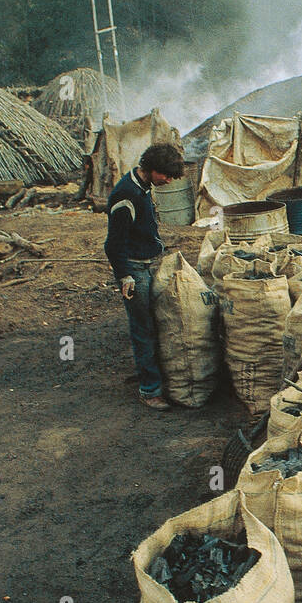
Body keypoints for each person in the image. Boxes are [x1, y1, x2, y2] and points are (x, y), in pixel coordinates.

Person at [104, 142, 184, 411]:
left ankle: (151, 374)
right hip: (135, 270)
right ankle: (149, 390)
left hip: (149, 264)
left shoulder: (142, 188)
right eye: (166, 175)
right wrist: (124, 275)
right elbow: (113, 243)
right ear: (150, 169)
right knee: (143, 328)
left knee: (156, 321)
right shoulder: (125, 195)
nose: (169, 181)